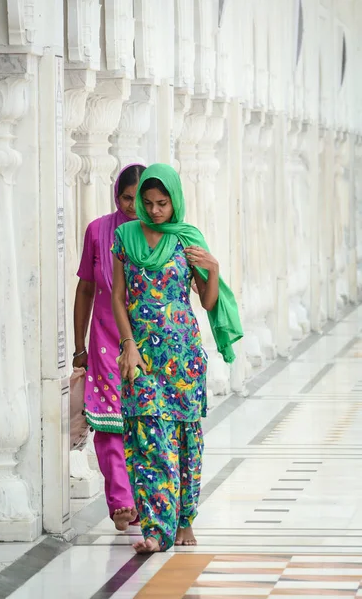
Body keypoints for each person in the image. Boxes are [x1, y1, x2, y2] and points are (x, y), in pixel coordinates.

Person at [111, 163, 243, 553]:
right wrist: (128, 344)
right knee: (147, 435)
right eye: (147, 203)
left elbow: (206, 300)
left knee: (184, 438)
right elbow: (119, 297)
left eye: (161, 203)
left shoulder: (188, 240)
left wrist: (213, 269)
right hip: (141, 355)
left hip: (182, 356)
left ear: (175, 202)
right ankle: (154, 529)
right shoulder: (124, 237)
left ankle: (184, 518)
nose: (153, 211)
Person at [73, 163, 146, 531]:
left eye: (140, 198)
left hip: (149, 342)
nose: (133, 206)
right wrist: (78, 347)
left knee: (145, 423)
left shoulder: (158, 234)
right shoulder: (99, 231)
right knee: (111, 424)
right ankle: (121, 501)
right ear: (116, 196)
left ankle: (145, 498)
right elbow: (86, 288)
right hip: (105, 342)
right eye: (126, 197)